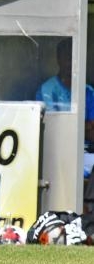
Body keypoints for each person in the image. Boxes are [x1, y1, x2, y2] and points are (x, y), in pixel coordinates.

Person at [36, 38, 94, 178]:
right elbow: (55, 130)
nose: (70, 62)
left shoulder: (88, 91)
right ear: (58, 59)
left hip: (86, 152)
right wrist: (83, 126)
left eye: (73, 57)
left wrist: (79, 127)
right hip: (57, 153)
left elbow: (92, 131)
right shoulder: (47, 90)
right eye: (66, 57)